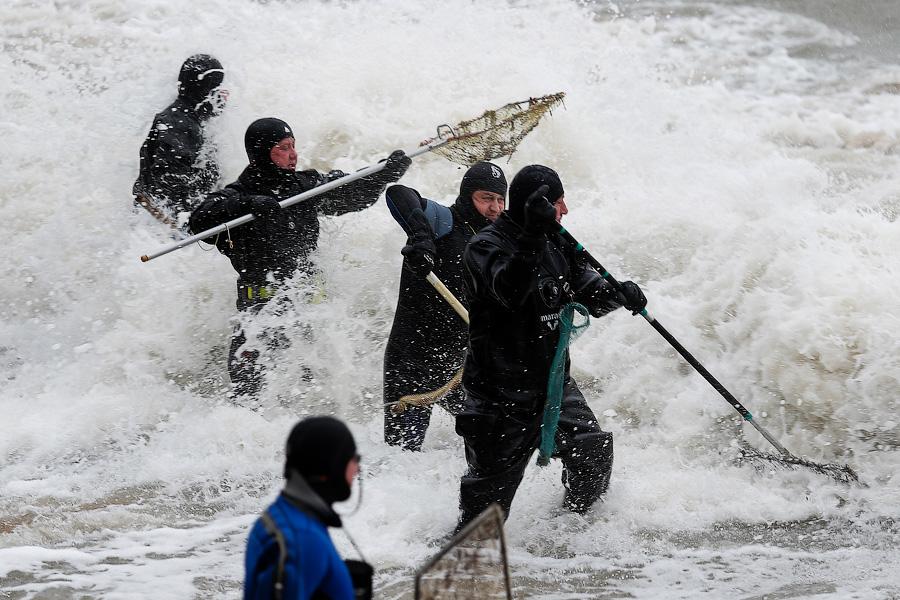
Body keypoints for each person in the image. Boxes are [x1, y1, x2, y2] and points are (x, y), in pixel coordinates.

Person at [455, 165, 648, 530]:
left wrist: (618, 294)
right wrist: (531, 235)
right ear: (538, 204)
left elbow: (589, 292)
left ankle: (570, 534)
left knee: (592, 453)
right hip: (499, 397)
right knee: (483, 520)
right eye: (559, 201)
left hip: (553, 386)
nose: (565, 210)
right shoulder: (484, 246)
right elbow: (510, 291)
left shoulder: (557, 242)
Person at [189, 117, 410, 397]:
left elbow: (350, 192)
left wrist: (383, 174)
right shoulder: (238, 194)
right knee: (250, 397)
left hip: (308, 313)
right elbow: (199, 221)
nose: (293, 154)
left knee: (312, 395)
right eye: (283, 148)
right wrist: (248, 205)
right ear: (261, 153)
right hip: (259, 317)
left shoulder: (305, 186)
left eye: (293, 146)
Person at [382, 162, 507, 451]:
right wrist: (421, 237)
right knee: (401, 458)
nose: (495, 208)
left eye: (501, 199)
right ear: (467, 196)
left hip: (460, 368)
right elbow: (398, 193)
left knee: (496, 445)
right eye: (486, 198)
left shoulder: (498, 242)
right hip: (411, 365)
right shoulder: (443, 221)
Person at [244, 416, 371, 600]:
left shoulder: (277, 516)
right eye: (354, 458)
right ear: (332, 466)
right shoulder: (304, 539)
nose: (357, 468)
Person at [133, 54, 227, 229]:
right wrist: (185, 227)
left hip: (164, 223)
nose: (223, 96)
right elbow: (169, 187)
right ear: (203, 90)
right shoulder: (178, 126)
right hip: (164, 228)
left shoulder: (191, 120)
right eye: (217, 88)